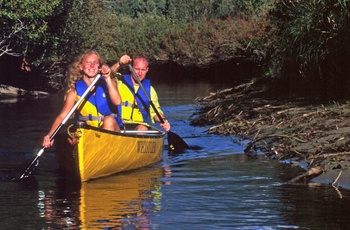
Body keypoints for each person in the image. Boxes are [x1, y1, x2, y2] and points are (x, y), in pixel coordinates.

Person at [42, 50, 122, 148]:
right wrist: (50, 135)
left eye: (95, 63)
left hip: (113, 131)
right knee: (74, 131)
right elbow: (62, 116)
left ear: (100, 67)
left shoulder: (109, 82)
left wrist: (108, 78)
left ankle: (102, 153)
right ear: (80, 67)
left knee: (109, 120)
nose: (92, 65)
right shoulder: (74, 92)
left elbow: (117, 102)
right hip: (90, 134)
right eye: (88, 62)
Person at [110, 55, 170, 132]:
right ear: (131, 68)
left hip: (139, 125)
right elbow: (109, 74)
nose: (140, 73)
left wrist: (163, 120)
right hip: (119, 123)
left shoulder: (150, 90)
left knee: (142, 129)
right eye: (137, 69)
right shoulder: (119, 81)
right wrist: (119, 64)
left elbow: (156, 113)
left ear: (147, 70)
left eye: (143, 70)